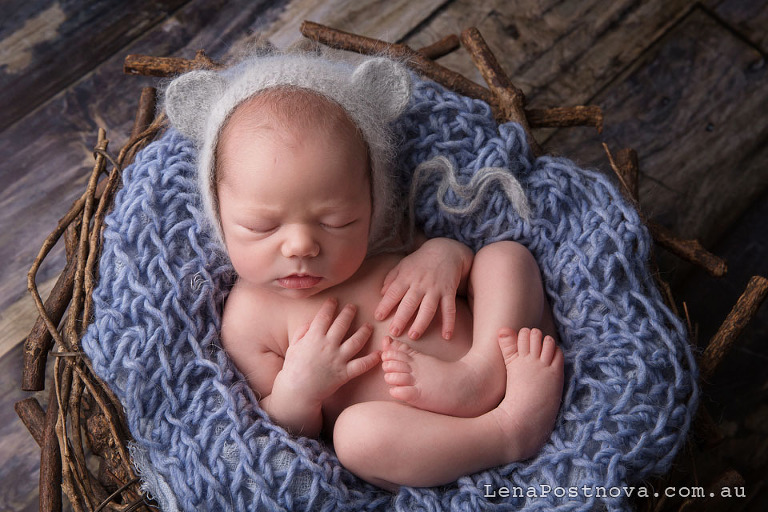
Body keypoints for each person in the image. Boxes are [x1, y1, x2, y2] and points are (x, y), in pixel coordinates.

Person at [164, 51, 564, 490]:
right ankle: (507, 432)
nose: (301, 245)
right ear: (220, 219)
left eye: (337, 222)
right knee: (355, 437)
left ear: (370, 206)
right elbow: (280, 427)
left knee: (504, 257)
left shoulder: (383, 240)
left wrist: (444, 257)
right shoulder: (246, 320)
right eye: (262, 226)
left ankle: (481, 371)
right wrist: (301, 389)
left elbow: (464, 271)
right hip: (423, 439)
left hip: (513, 359)